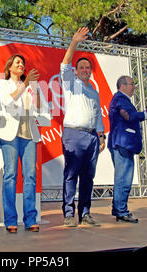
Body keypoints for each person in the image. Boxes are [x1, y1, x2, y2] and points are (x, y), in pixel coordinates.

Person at [60, 27, 105, 227]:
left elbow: (97, 115)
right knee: (71, 175)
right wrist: (74, 42)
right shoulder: (72, 84)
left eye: (88, 68)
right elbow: (64, 64)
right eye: (82, 68)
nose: (85, 70)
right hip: (73, 135)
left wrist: (101, 136)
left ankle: (85, 213)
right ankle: (69, 214)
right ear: (76, 72)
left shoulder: (93, 91)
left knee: (88, 177)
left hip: (92, 137)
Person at [0, 54, 42, 233]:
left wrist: (34, 88)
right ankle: (10, 220)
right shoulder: (3, 83)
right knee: (10, 175)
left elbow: (39, 107)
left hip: (29, 132)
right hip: (9, 133)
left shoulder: (30, 84)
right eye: (17, 62)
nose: (21, 65)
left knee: (30, 175)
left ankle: (30, 219)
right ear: (9, 68)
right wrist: (26, 84)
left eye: (23, 62)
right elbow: (7, 102)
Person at [108, 76, 147, 223]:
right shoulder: (120, 98)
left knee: (123, 178)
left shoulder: (123, 100)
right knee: (123, 179)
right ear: (122, 86)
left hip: (124, 143)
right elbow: (130, 117)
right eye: (132, 84)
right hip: (122, 143)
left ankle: (119, 209)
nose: (134, 87)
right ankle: (121, 211)